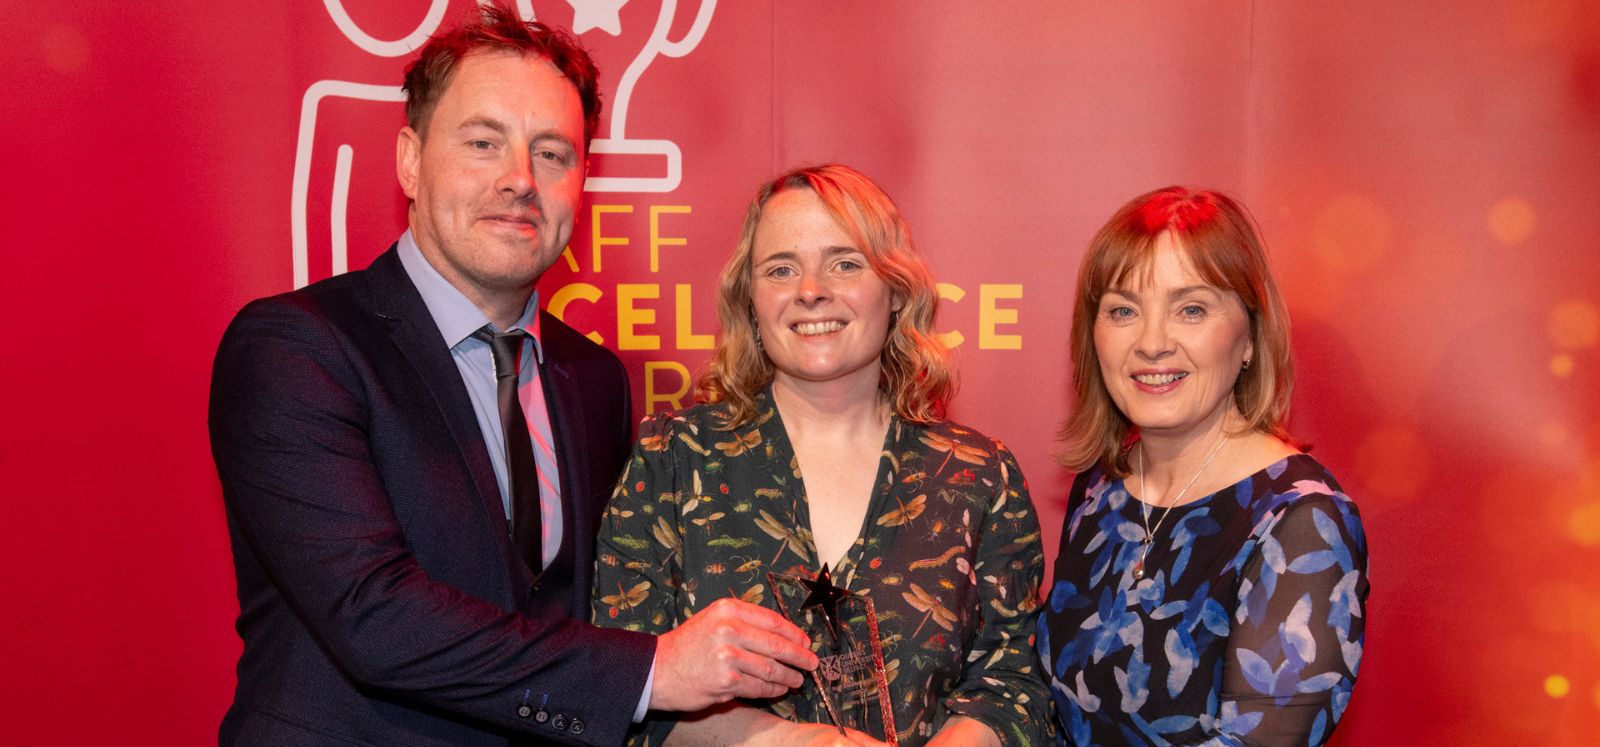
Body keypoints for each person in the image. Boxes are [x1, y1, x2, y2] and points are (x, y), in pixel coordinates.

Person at [208, 7, 816, 745]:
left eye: (553, 153)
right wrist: (655, 670)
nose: (520, 180)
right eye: (483, 142)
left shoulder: (595, 381)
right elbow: (373, 616)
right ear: (410, 158)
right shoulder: (299, 347)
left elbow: (590, 608)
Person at [592, 164, 1054, 747]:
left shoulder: (978, 474)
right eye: (781, 269)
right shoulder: (674, 457)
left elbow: (1012, 684)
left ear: (896, 292)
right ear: (751, 301)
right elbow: (619, 677)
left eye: (845, 263)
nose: (811, 290)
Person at [1037, 187, 1369, 745]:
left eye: (1191, 309)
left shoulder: (1304, 521)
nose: (1152, 343)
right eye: (1123, 311)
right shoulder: (1102, 487)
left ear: (1248, 338)